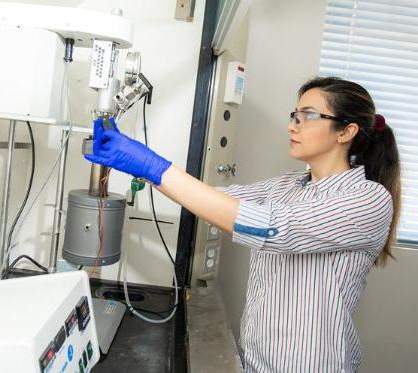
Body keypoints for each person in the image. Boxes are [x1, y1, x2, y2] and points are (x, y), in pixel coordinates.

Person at [85, 76, 401, 373]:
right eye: (294, 115)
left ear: (346, 132)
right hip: (257, 359)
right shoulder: (289, 185)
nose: (293, 126)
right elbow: (216, 200)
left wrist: (151, 164)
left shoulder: (368, 200)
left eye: (307, 116)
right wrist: (142, 167)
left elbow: (271, 228)